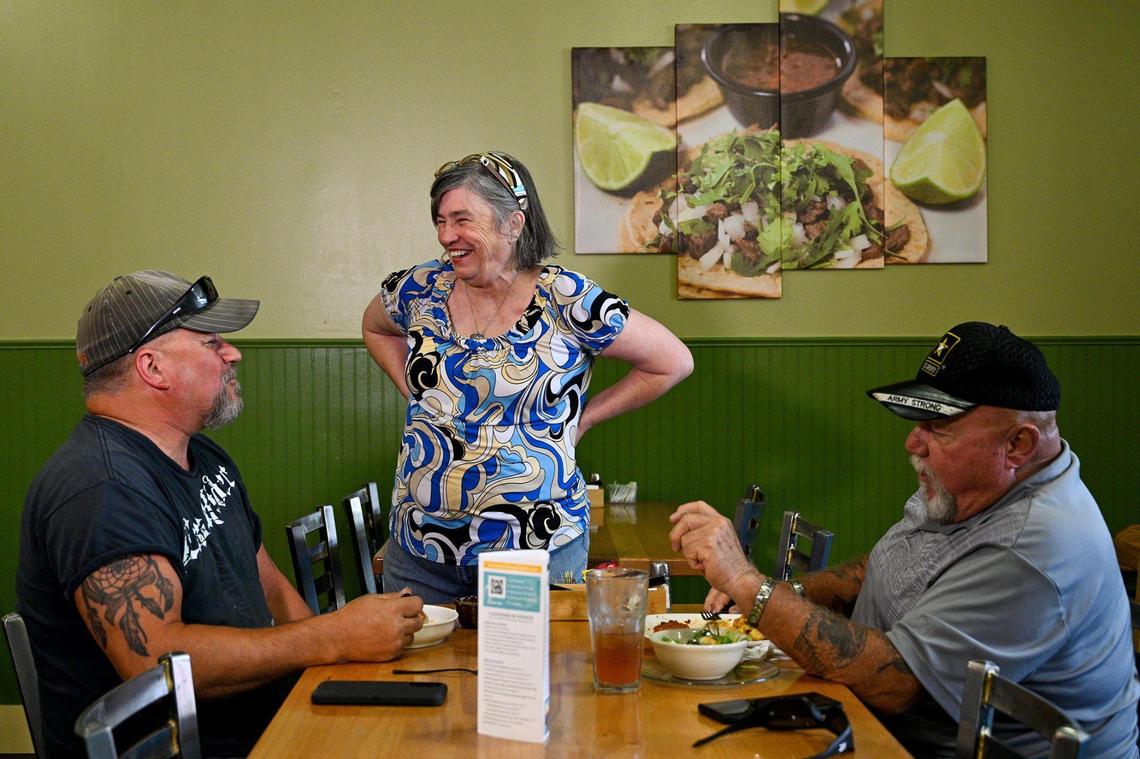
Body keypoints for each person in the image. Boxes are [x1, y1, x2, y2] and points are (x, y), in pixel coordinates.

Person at [670, 322, 1139, 758]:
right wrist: (790, 595)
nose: (913, 444)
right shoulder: (972, 489)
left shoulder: (1031, 547)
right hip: (880, 725)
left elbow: (896, 683)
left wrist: (750, 585)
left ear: (1018, 444)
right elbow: (886, 565)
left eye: (938, 429)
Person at [17, 271, 425, 759]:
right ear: (153, 367)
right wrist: (333, 638)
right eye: (211, 342)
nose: (233, 353)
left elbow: (269, 585)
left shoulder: (204, 456)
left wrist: (332, 666)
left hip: (268, 718)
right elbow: (156, 662)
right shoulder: (100, 488)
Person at [362, 151, 693, 602]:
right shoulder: (419, 288)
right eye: (440, 221)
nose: (446, 236)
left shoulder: (567, 298)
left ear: (513, 223)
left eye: (461, 219)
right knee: (420, 674)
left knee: (530, 674)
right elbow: (374, 327)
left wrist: (585, 419)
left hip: (532, 550)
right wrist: (413, 391)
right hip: (419, 550)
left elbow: (672, 361)